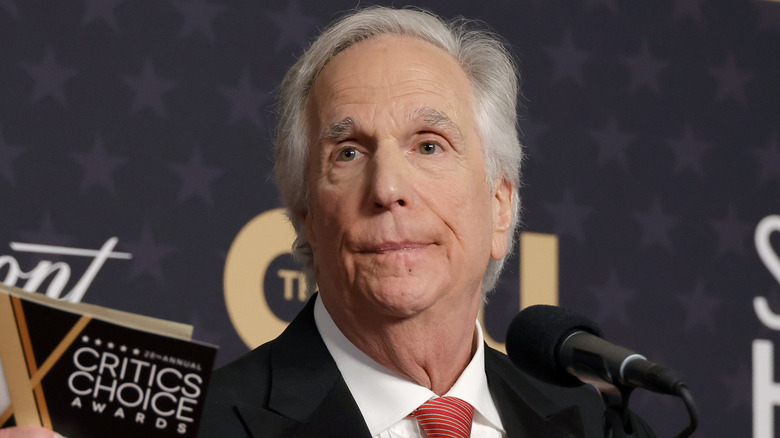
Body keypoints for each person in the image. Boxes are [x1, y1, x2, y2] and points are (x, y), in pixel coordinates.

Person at [198, 6, 607, 438]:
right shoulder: (200, 426)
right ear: (309, 219)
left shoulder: (592, 424)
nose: (387, 188)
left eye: (429, 147)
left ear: (500, 206)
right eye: (348, 152)